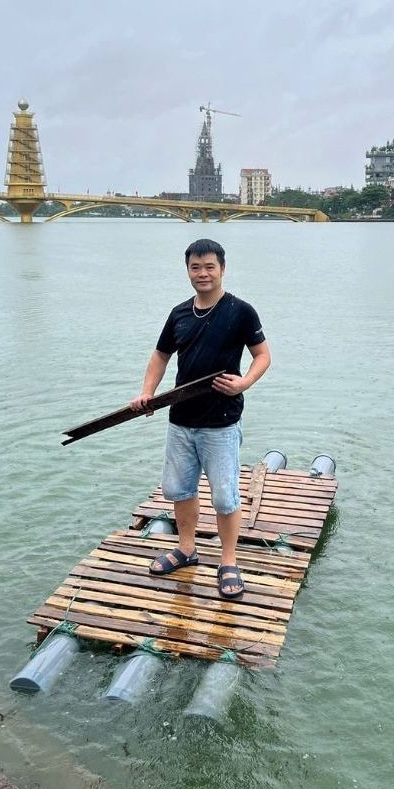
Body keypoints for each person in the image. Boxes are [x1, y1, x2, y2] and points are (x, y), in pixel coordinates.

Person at [130, 239, 272, 600]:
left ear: (222, 268)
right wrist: (148, 392)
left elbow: (262, 356)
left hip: (221, 422)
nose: (203, 273)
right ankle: (187, 549)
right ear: (188, 270)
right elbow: (161, 356)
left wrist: (244, 383)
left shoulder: (241, 311)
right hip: (180, 420)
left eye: (209, 266)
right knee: (180, 490)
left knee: (225, 497)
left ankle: (228, 561)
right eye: (196, 267)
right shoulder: (178, 313)